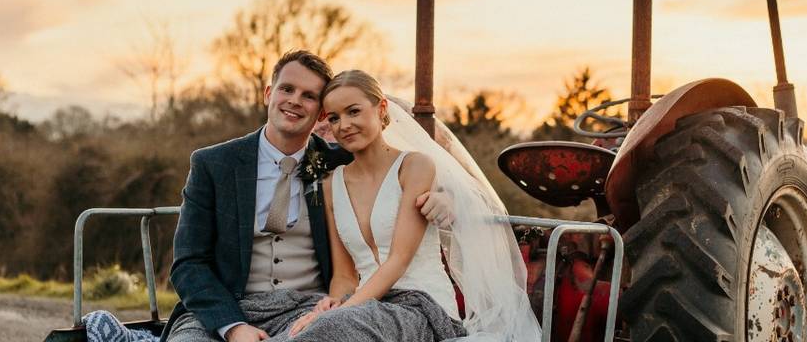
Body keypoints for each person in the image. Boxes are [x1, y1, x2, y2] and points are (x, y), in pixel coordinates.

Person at [158, 50, 453, 342]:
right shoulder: (214, 164)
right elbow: (189, 264)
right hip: (228, 310)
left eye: (309, 96)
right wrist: (233, 327)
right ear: (268, 93)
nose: (295, 101)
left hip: (305, 307)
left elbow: (391, 176)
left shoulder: (339, 161)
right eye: (287, 89)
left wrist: (440, 197)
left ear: (320, 112)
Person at [281, 70, 541, 342]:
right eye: (334, 118)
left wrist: (339, 314)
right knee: (292, 332)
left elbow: (398, 260)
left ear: (381, 109)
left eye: (353, 112)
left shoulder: (414, 166)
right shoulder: (330, 184)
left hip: (421, 306)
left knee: (331, 328)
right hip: (365, 309)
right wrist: (332, 303)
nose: (344, 125)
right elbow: (345, 275)